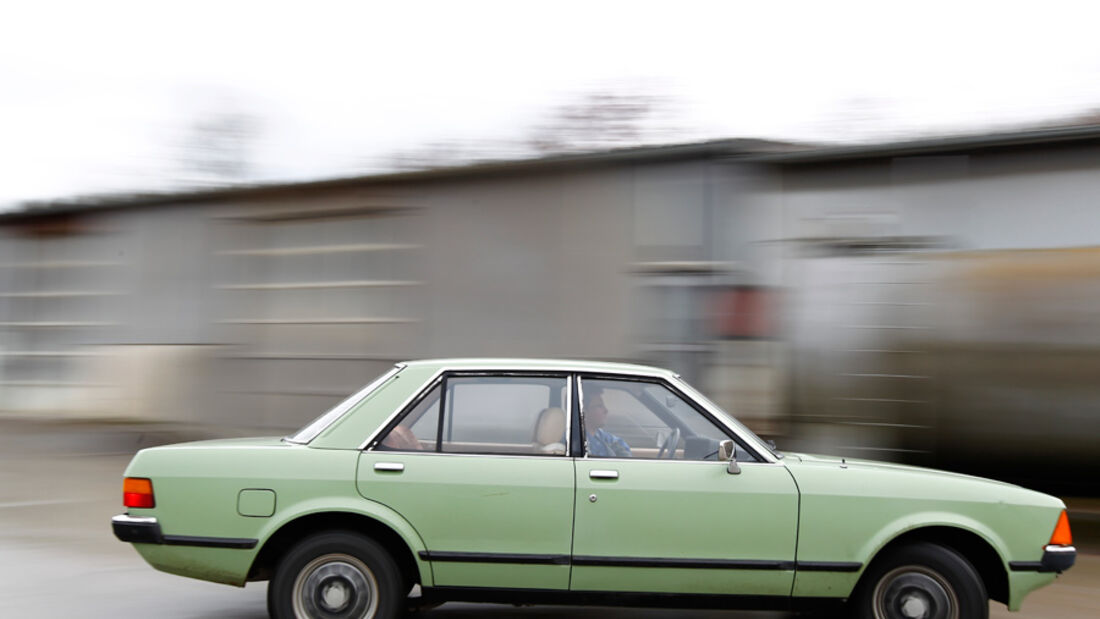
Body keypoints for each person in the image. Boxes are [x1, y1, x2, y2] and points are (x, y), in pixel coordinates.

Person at [583, 387, 631, 458]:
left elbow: (626, 455)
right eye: (599, 406)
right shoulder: (575, 442)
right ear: (584, 412)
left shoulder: (605, 438)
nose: (606, 410)